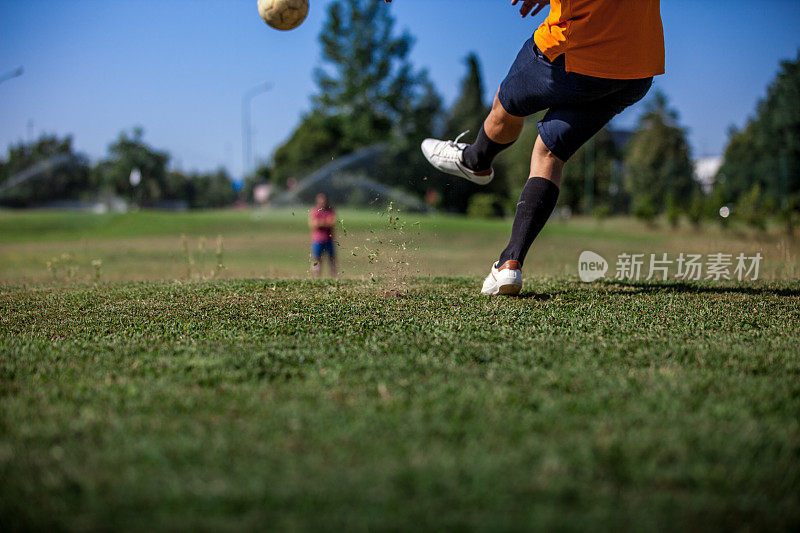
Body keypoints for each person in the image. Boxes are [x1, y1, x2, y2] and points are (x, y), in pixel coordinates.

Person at [389, 0, 665, 295]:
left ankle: (475, 160)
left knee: (506, 99)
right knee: (550, 152)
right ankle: (510, 264)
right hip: (637, 66)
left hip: (573, 48)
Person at [309, 193, 337, 277]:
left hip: (329, 239)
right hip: (318, 240)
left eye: (323, 199)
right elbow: (313, 224)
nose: (322, 201)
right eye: (320, 199)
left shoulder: (331, 210)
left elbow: (332, 222)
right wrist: (325, 222)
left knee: (332, 260)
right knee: (317, 260)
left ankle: (334, 278)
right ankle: (316, 278)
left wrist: (320, 223)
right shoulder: (314, 211)